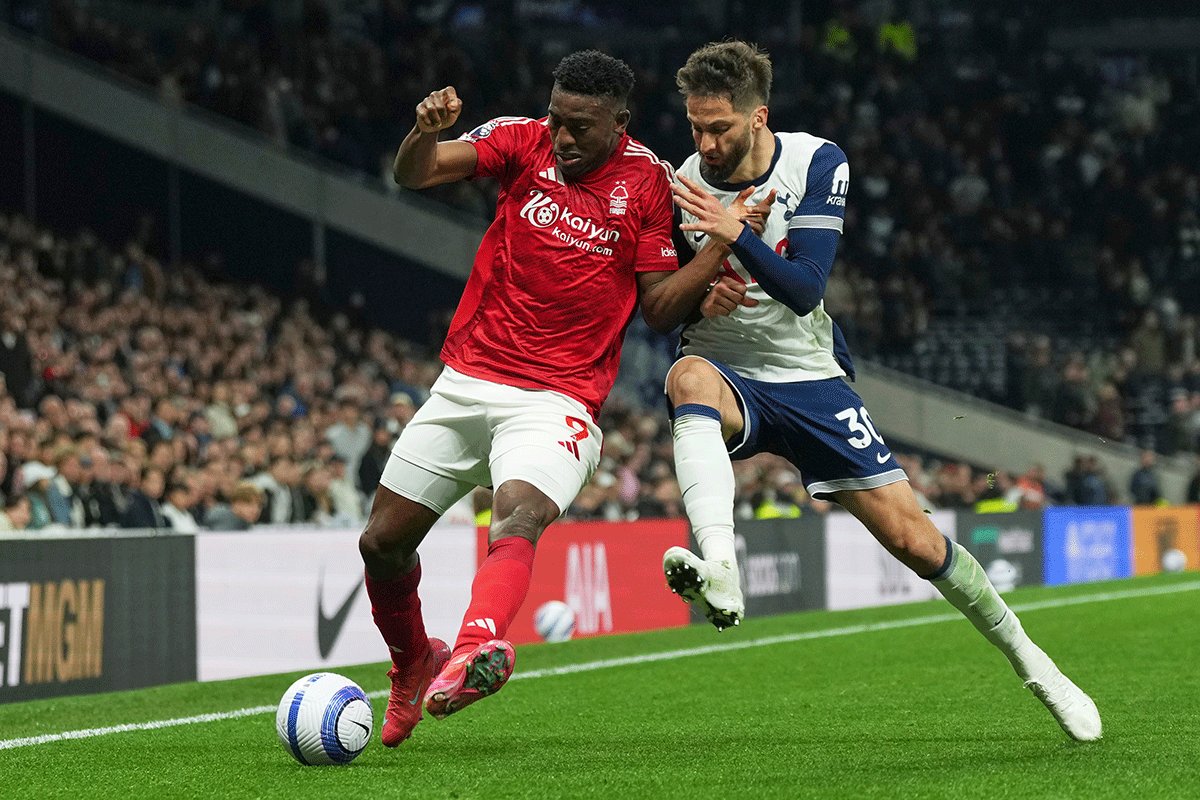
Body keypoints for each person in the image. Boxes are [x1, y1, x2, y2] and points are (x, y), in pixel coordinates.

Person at [661, 41, 1101, 742]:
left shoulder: (816, 161)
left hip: (808, 376)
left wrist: (737, 235)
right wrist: (699, 295)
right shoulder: (679, 182)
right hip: (726, 367)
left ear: (758, 116)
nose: (705, 144)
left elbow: (805, 289)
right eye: (695, 127)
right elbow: (662, 304)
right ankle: (721, 568)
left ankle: (1034, 662)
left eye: (720, 128)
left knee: (914, 540)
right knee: (684, 376)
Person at [360, 49, 765, 747]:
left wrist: (718, 248)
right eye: (557, 119)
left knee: (516, 515)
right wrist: (423, 132)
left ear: (619, 124)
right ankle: (412, 663)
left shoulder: (646, 183)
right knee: (380, 544)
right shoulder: (520, 140)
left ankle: (473, 650)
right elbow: (416, 173)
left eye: (581, 126)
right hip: (469, 380)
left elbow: (659, 309)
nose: (563, 137)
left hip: (558, 400)